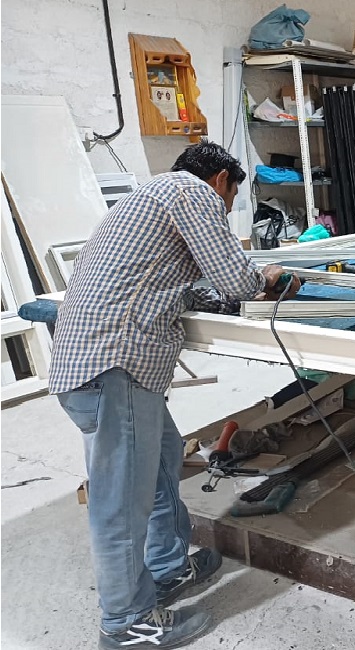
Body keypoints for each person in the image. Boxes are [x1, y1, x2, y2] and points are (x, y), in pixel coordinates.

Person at [50, 141, 301, 648]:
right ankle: (125, 623)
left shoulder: (146, 201)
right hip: (113, 366)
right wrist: (268, 278)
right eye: (230, 200)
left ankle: (167, 568)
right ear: (220, 181)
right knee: (121, 502)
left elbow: (174, 285)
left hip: (109, 366)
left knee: (164, 461)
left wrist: (224, 295)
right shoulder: (191, 192)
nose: (225, 211)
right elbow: (236, 278)